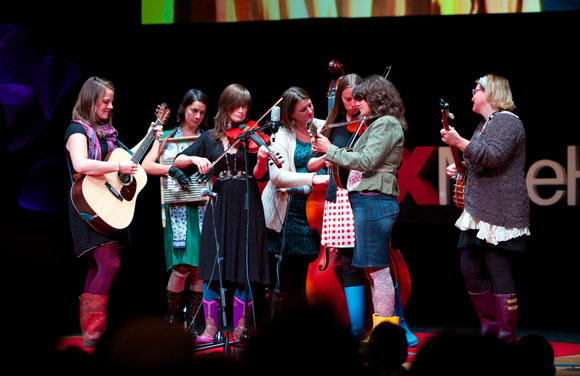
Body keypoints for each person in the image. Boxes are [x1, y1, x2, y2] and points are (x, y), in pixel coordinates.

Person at [65, 76, 163, 346]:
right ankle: (94, 332)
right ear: (90, 100)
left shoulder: (107, 134)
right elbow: (81, 164)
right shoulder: (77, 130)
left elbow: (126, 160)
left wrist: (149, 137)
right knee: (109, 263)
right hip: (87, 201)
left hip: (105, 202)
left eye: (111, 102)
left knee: (98, 265)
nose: (110, 107)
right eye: (104, 101)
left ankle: (90, 332)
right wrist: (117, 169)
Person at [173, 83, 271, 343]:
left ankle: (239, 329)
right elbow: (177, 161)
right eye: (237, 105)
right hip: (221, 204)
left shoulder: (253, 136)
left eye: (246, 106)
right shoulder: (209, 139)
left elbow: (260, 175)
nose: (242, 110)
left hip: (249, 204)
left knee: (245, 268)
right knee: (212, 266)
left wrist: (261, 159)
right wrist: (196, 160)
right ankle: (210, 328)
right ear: (226, 106)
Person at [311, 74, 407, 336]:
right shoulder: (377, 123)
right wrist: (332, 152)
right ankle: (381, 334)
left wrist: (330, 150)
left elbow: (366, 161)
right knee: (372, 269)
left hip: (375, 200)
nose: (357, 103)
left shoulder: (386, 124)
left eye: (361, 98)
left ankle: (386, 337)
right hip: (366, 200)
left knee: (378, 270)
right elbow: (358, 157)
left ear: (375, 99)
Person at [440, 74, 530, 344]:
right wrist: (461, 170)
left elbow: (493, 157)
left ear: (491, 93)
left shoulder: (507, 122)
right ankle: (489, 330)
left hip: (500, 212)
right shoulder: (485, 124)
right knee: (470, 268)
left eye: (476, 89)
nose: (472, 93)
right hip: (478, 211)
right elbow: (482, 161)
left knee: (497, 267)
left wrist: (459, 142)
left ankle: (505, 337)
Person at [142, 89, 209, 336]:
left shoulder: (207, 137)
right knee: (180, 267)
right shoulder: (168, 138)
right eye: (194, 110)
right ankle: (172, 323)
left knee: (199, 269)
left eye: (202, 112)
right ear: (184, 110)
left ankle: (191, 325)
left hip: (202, 208)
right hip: (176, 209)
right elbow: (147, 166)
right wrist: (172, 169)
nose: (198, 116)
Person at [307, 73, 367, 339]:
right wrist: (325, 157)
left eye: (357, 98)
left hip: (364, 196)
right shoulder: (332, 125)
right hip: (339, 197)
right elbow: (311, 164)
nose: (352, 105)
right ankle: (355, 329)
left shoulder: (373, 124)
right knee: (348, 263)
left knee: (375, 263)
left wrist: (336, 153)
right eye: (347, 99)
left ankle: (394, 325)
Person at [260, 86, 329, 312]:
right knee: (291, 273)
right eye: (303, 109)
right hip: (288, 210)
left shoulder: (323, 126)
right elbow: (277, 176)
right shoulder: (280, 135)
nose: (310, 111)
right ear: (290, 113)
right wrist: (313, 179)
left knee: (313, 269)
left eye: (310, 105)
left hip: (318, 210)